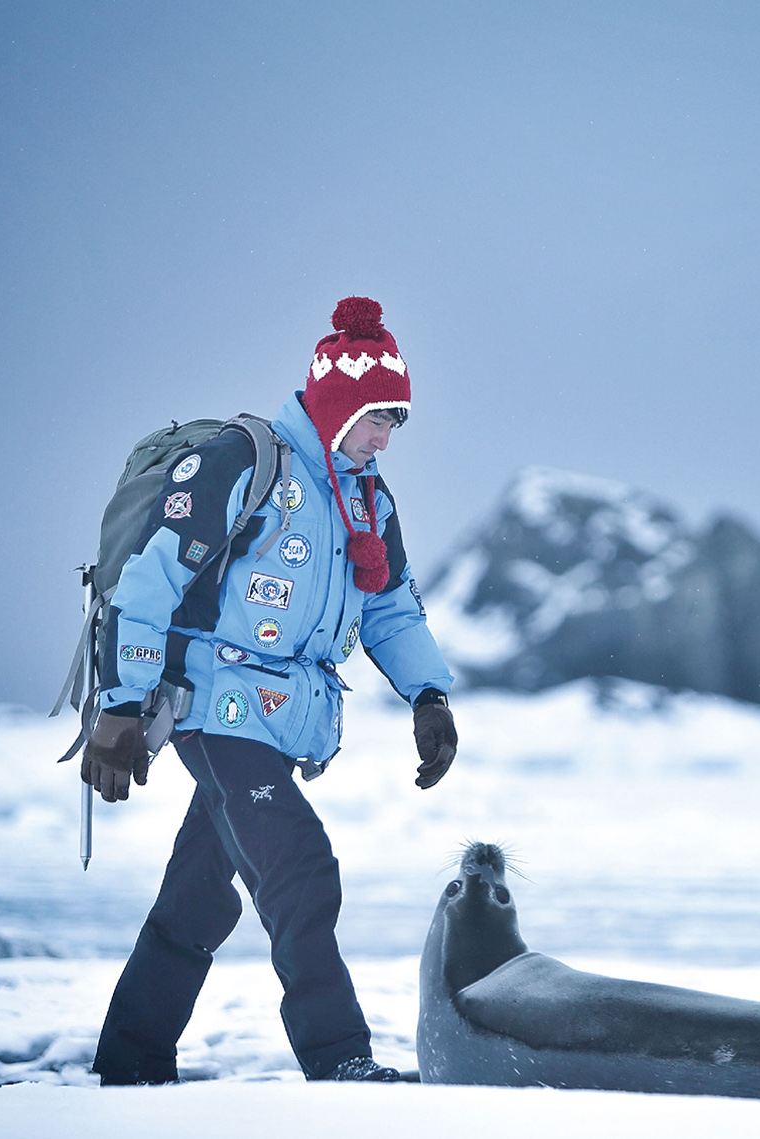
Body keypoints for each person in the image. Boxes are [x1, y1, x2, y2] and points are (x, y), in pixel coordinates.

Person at [83, 296, 458, 1085]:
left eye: (398, 420)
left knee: (200, 901)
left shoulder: (367, 500)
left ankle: (130, 1062)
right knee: (300, 867)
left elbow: (388, 603)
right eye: (378, 416)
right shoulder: (247, 461)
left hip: (279, 722)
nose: (388, 435)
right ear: (337, 402)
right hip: (213, 707)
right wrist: (119, 705)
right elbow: (152, 582)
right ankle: (340, 1057)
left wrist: (429, 696)